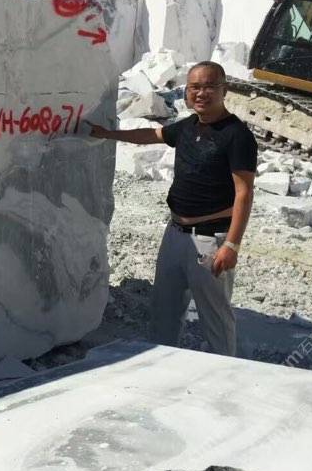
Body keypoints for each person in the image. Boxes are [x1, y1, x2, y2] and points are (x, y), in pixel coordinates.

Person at [89, 61, 257, 356]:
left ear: (224, 90)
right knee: (164, 311)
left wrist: (231, 245)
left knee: (215, 318)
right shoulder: (188, 127)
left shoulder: (237, 135)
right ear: (187, 92)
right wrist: (107, 134)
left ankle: (225, 374)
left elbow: (244, 193)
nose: (201, 93)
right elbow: (151, 135)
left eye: (209, 87)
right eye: (194, 87)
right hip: (175, 234)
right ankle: (163, 367)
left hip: (210, 240)